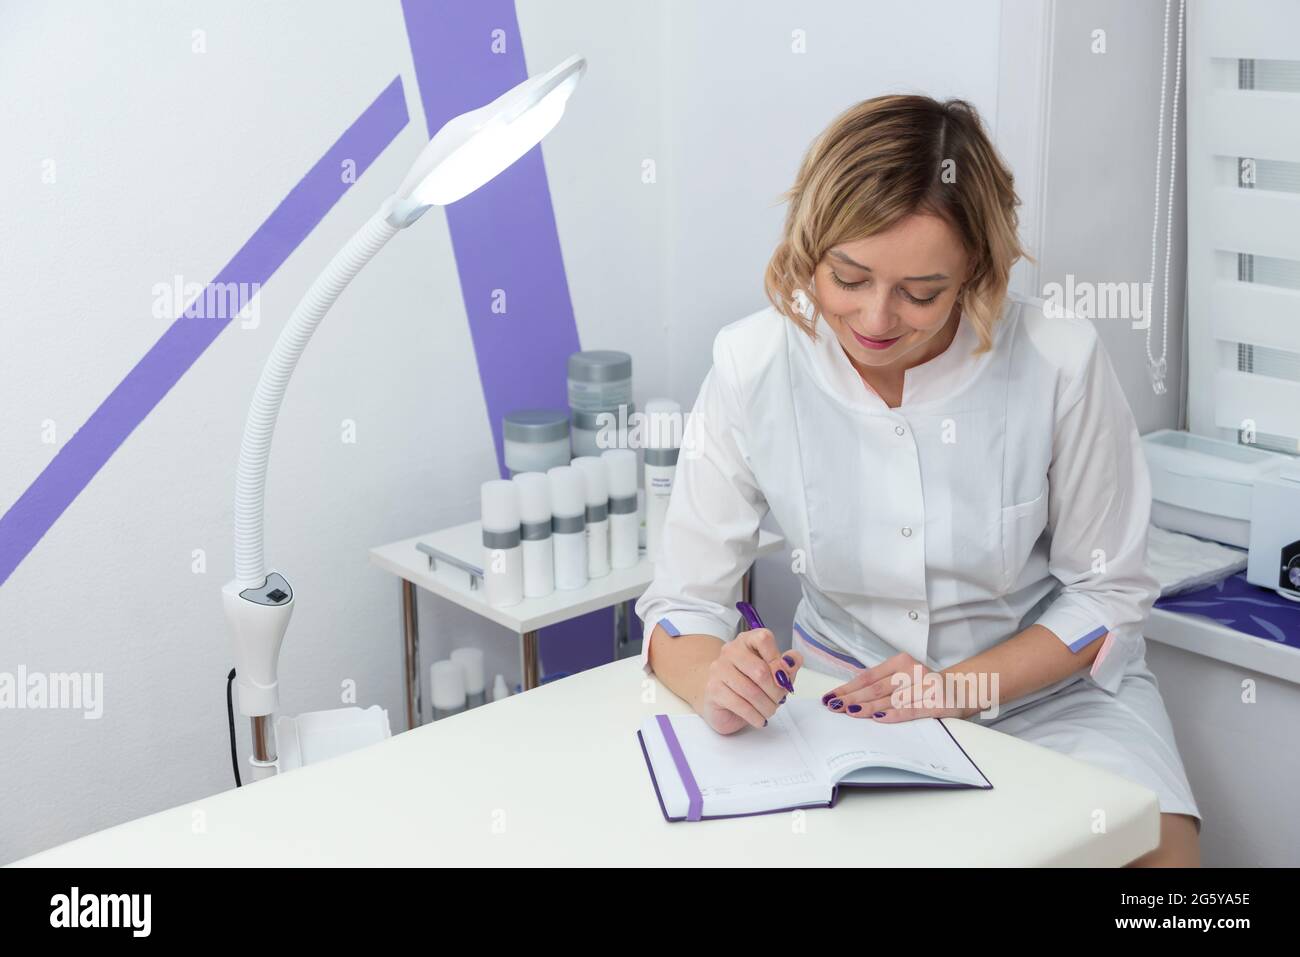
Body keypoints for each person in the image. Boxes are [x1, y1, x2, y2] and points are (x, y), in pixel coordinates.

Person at [634, 94, 1200, 867]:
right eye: (848, 276)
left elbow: (1106, 593)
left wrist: (953, 689)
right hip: (846, 704)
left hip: (1051, 698)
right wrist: (714, 680)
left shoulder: (1057, 361)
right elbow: (683, 603)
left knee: (1163, 868)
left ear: (978, 269)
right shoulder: (753, 364)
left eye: (921, 293)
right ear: (811, 247)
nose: (874, 318)